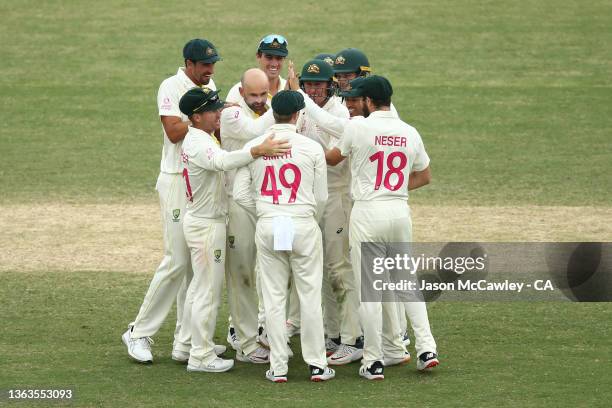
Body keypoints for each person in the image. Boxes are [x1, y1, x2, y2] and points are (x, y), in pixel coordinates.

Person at [325, 76, 439, 379]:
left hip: (367, 213)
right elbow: (425, 176)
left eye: (356, 99)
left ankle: (373, 360)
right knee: (406, 283)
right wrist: (396, 189)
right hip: (399, 211)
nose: (352, 104)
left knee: (370, 292)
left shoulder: (358, 127)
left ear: (369, 101)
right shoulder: (409, 131)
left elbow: (332, 159)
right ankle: (427, 348)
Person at [122, 38, 224, 363]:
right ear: (189, 64)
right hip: (175, 180)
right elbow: (172, 131)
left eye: (212, 65)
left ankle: (186, 342)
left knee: (195, 265)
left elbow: (212, 130)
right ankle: (138, 333)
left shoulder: (211, 85)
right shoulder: (171, 85)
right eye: (205, 65)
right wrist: (200, 118)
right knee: (177, 260)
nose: (210, 70)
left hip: (199, 180)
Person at [178, 87, 290, 373]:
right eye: (212, 110)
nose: (219, 114)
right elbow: (222, 162)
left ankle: (191, 344)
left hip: (203, 222)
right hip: (206, 226)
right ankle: (200, 356)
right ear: (196, 116)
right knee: (207, 291)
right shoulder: (200, 143)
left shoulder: (199, 138)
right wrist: (257, 150)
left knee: (200, 288)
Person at [233, 90, 335, 383]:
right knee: (309, 295)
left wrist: (266, 212)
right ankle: (317, 364)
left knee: (274, 298)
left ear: (272, 114)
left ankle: (278, 366)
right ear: (298, 115)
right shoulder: (312, 147)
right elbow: (321, 197)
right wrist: (305, 217)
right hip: (302, 222)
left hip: (270, 224)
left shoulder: (256, 145)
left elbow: (239, 194)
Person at [292, 59, 362, 363]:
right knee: (319, 270)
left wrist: (302, 99)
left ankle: (354, 338)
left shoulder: (340, 111)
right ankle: (333, 333)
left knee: (339, 267)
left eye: (318, 84)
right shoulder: (304, 108)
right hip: (310, 197)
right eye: (307, 84)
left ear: (330, 85)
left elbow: (331, 158)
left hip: (336, 195)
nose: (313, 89)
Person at [220, 68, 277, 362]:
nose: (257, 100)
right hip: (237, 203)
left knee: (276, 270)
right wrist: (283, 105)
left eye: (262, 94)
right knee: (242, 272)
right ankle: (245, 342)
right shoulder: (231, 114)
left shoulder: (267, 108)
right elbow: (253, 134)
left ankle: (269, 332)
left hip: (269, 203)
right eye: (252, 95)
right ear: (241, 92)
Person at [333, 48, 399, 117]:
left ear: (362, 75)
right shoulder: (337, 101)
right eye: (338, 76)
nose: (341, 81)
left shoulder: (378, 102)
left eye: (347, 75)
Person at [225, 34, 289, 103]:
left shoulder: (290, 90)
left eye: (279, 58)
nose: (274, 64)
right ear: (258, 56)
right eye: (269, 57)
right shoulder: (238, 92)